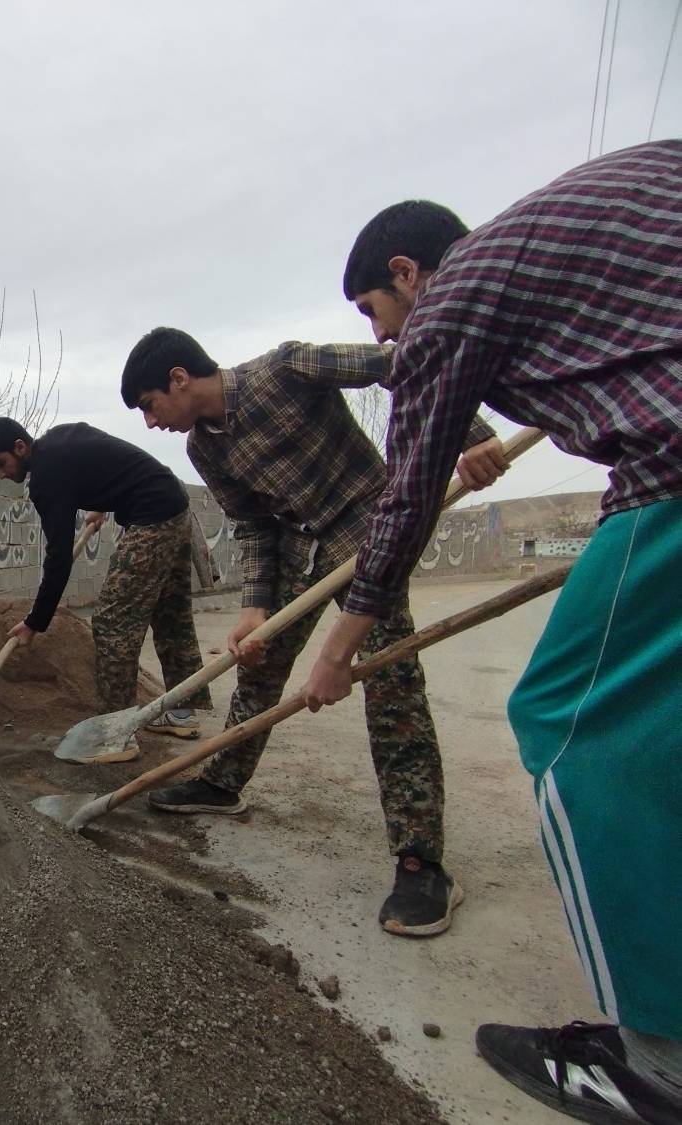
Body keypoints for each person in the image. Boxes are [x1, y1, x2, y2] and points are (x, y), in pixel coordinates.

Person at [303, 145, 682, 1122]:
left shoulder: (456, 293)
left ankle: (655, 1067)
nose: (383, 335)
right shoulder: (587, 225)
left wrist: (338, 646)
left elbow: (405, 495)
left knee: (566, 715)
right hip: (656, 466)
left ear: (406, 273)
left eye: (374, 310)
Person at [119, 327, 503, 936]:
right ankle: (223, 783)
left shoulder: (288, 368)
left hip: (369, 533)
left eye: (148, 405)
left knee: (390, 683)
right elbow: (251, 525)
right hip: (300, 550)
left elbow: (404, 362)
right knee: (258, 664)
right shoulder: (204, 450)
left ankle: (422, 861)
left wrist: (473, 435)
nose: (150, 421)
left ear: (178, 379)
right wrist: (253, 608)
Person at [0, 417, 210, 763]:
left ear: (20, 447)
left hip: (153, 514)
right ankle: (182, 711)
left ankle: (114, 733)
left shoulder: (46, 477)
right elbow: (106, 458)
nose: (1, 474)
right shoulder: (57, 441)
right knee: (171, 615)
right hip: (173, 502)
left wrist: (35, 622)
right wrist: (102, 500)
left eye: (1, 464)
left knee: (112, 620)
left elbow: (58, 559)